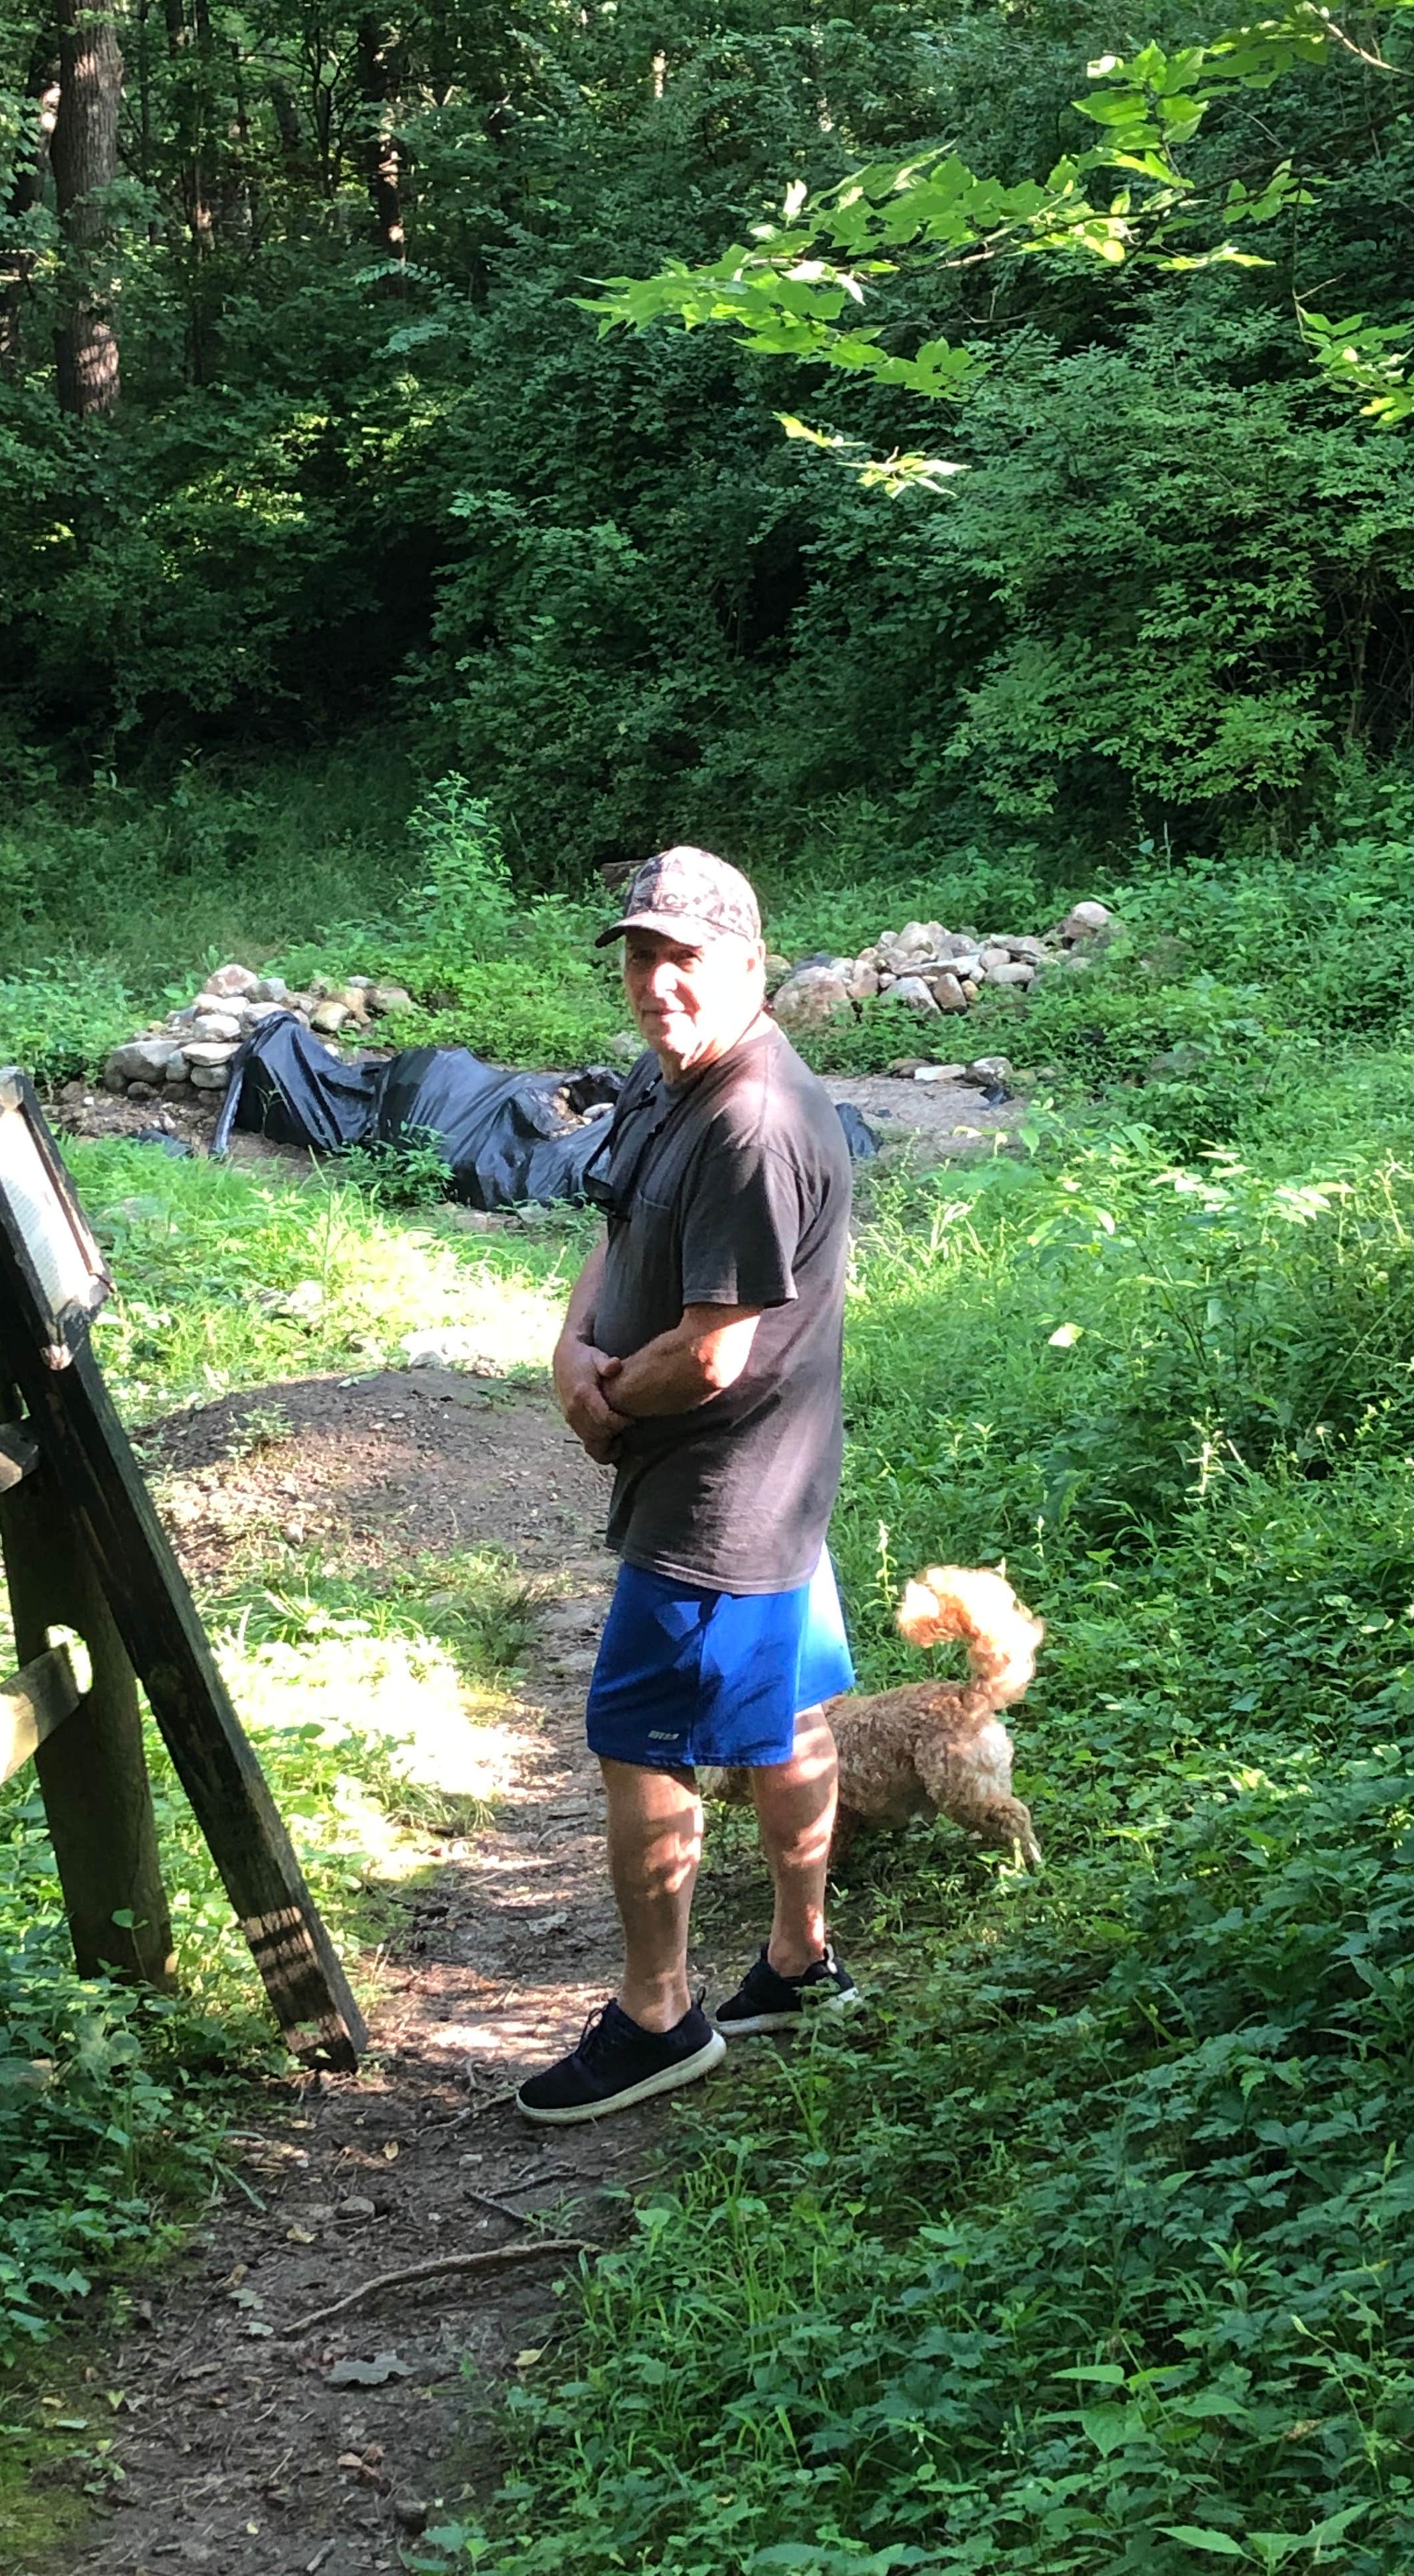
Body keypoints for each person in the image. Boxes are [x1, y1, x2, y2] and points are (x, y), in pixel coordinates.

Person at [516, 846, 858, 2126]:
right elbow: (612, 1234)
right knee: (793, 1711)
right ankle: (798, 1961)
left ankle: (660, 2017)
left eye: (686, 958)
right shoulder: (679, 1081)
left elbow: (716, 1352)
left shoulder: (754, 1119)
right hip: (765, 1484)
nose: (659, 982)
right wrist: (569, 1347)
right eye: (642, 955)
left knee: (639, 1744)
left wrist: (602, 1398)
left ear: (752, 967)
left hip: (725, 1494)